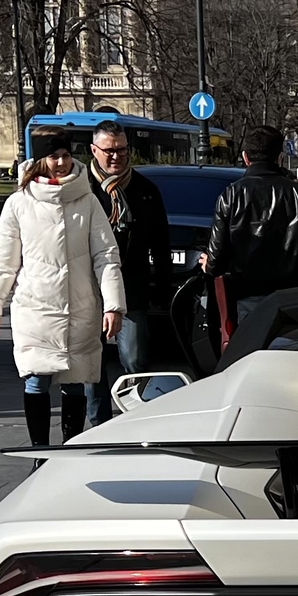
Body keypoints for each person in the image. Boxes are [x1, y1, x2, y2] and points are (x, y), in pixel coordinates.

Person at [0, 130, 125, 447]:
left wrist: (113, 305)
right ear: (39, 161)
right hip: (36, 307)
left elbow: (107, 256)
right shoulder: (18, 204)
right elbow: (4, 263)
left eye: (66, 155)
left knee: (75, 383)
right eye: (54, 156)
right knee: (36, 380)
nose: (61, 162)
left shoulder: (87, 201)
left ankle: (69, 446)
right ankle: (40, 451)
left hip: (80, 306)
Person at [202, 124, 298, 330]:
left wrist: (208, 264)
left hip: (248, 298)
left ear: (246, 157)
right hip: (294, 298)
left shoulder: (231, 195)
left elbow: (216, 262)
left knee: (253, 356)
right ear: (280, 158)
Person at [86, 125, 171, 423]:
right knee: (91, 361)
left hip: (131, 285)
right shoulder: (82, 189)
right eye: (109, 150)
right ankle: (98, 421)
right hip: (89, 288)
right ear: (94, 151)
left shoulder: (146, 190)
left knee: (135, 358)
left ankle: (134, 418)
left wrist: (162, 286)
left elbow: (161, 243)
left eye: (122, 149)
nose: (116, 157)